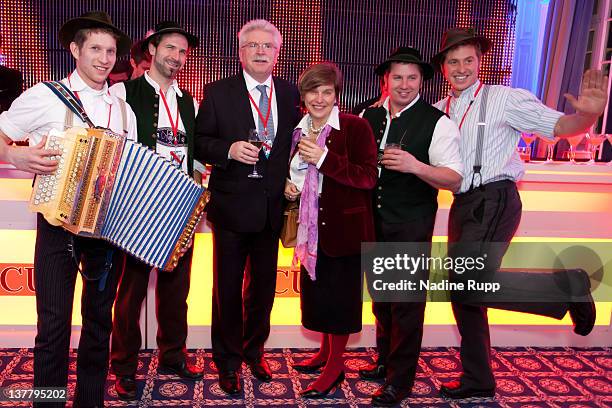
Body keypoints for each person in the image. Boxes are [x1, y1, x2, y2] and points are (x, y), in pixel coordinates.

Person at [431, 27, 607, 399]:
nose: (461, 68)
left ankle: (569, 287)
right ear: (444, 67)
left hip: (494, 198)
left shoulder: (504, 98)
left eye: (468, 60)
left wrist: (586, 117)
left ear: (480, 62)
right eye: (453, 61)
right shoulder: (439, 111)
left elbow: (560, 127)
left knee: (465, 285)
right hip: (462, 204)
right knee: (464, 295)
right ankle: (478, 379)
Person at [0, 11, 136, 407]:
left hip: (107, 232)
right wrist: (14, 156)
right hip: (57, 227)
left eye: (111, 50)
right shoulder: (45, 95)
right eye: (95, 48)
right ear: (75, 50)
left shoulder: (122, 110)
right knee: (53, 327)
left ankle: (90, 401)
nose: (104, 57)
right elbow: (3, 134)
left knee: (98, 325)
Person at [195, 19, 301, 395]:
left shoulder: (290, 95)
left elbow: (296, 145)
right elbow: (200, 142)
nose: (260, 51)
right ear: (240, 53)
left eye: (267, 46)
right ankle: (226, 361)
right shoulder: (218, 92)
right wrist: (227, 150)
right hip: (231, 208)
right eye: (252, 45)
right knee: (226, 289)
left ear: (277, 52)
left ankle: (253, 351)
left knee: (264, 289)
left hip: (272, 207)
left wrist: (294, 176)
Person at [356, 47, 463, 407]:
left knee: (406, 305)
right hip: (374, 221)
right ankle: (385, 361)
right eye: (397, 77)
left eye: (412, 78)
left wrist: (416, 166)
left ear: (421, 82)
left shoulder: (438, 122)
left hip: (411, 225)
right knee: (382, 300)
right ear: (386, 79)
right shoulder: (367, 116)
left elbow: (454, 178)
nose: (404, 84)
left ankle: (398, 381)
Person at [108, 21, 202, 401]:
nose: (177, 57)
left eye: (183, 52)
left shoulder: (190, 102)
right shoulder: (122, 92)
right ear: (152, 50)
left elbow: (193, 156)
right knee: (130, 291)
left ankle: (172, 355)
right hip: (138, 205)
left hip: (178, 202)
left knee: (176, 290)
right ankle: (125, 365)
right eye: (170, 49)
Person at [287, 61, 378, 398]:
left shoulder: (355, 127)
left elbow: (368, 176)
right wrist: (288, 184)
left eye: (327, 92)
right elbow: (296, 172)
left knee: (340, 303)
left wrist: (324, 159)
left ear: (337, 96)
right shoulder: (298, 129)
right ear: (304, 96)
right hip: (312, 228)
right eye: (314, 91)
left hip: (346, 228)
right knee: (320, 296)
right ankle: (325, 353)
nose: (320, 98)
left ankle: (335, 366)